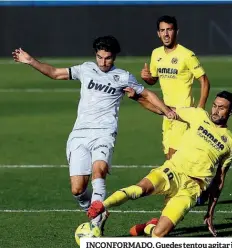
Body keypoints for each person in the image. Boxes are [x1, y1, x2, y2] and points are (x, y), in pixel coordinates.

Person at [12, 35, 177, 237]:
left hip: (104, 133)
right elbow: (55, 73)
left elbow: (147, 95)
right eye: (100, 57)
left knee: (99, 171)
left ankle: (95, 225)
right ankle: (98, 215)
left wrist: (166, 111)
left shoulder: (123, 77)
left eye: (107, 58)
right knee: (77, 189)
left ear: (114, 57)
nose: (103, 62)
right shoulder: (85, 69)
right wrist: (30, 61)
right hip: (79, 134)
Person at [87, 91, 232, 237]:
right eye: (214, 105)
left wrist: (210, 213)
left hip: (192, 188)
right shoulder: (198, 115)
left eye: (222, 108)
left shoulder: (231, 143)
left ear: (231, 111)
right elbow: (165, 111)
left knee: (158, 235)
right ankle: (102, 206)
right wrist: (137, 98)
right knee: (140, 189)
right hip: (172, 170)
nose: (216, 111)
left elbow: (219, 180)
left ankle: (149, 226)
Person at [141, 15, 210, 160]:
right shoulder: (156, 53)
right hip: (166, 112)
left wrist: (200, 108)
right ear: (158, 33)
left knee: (173, 158)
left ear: (176, 32)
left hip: (183, 113)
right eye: (162, 30)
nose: (166, 34)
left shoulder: (187, 55)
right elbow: (153, 80)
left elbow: (204, 81)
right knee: (170, 157)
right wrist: (147, 78)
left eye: (169, 30)